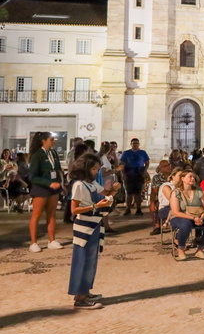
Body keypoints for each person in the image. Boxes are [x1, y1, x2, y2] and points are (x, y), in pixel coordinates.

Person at [68, 153, 113, 309]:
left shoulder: (92, 184)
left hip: (95, 225)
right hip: (84, 226)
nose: (96, 171)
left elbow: (106, 195)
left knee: (91, 261)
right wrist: (95, 206)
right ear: (85, 168)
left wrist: (113, 189)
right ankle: (79, 297)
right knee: (82, 260)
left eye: (97, 169)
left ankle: (85, 291)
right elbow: (74, 209)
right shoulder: (79, 185)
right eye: (94, 168)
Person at [28, 132, 65, 252]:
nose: (54, 141)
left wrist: (61, 183)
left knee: (52, 214)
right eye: (51, 139)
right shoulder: (37, 155)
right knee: (36, 215)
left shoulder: (53, 153)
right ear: (44, 141)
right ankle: (33, 243)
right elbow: (32, 176)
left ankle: (52, 240)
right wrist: (48, 183)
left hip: (53, 189)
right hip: (41, 189)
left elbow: (57, 169)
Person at [169, 172, 204, 260]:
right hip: (180, 217)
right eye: (190, 177)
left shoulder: (198, 190)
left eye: (194, 177)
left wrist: (201, 217)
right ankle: (181, 250)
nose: (192, 179)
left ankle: (201, 249)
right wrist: (193, 218)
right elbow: (175, 212)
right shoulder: (176, 192)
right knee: (186, 224)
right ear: (182, 178)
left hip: (198, 215)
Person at [120, 138, 149, 216]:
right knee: (129, 192)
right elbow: (122, 164)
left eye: (137, 143)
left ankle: (138, 209)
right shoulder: (126, 153)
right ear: (131, 144)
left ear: (139, 144)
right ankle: (128, 209)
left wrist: (144, 171)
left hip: (139, 173)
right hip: (129, 172)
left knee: (138, 192)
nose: (135, 145)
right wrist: (123, 174)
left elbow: (147, 162)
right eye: (134, 143)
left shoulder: (143, 153)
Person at [149, 160, 171, 235]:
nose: (167, 167)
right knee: (154, 205)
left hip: (173, 197)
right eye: (164, 166)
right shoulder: (157, 177)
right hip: (161, 197)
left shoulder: (174, 175)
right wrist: (152, 202)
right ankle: (157, 226)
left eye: (168, 165)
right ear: (160, 168)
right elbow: (154, 191)